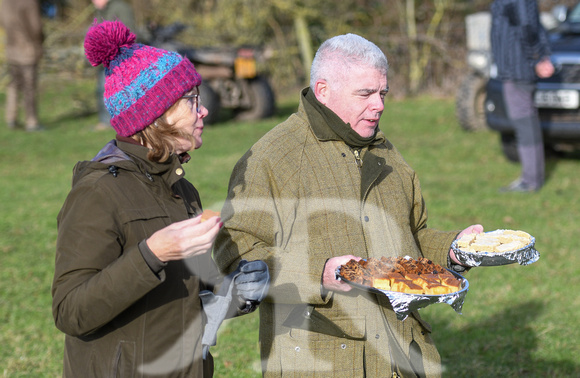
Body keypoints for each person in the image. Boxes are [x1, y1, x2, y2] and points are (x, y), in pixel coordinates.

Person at [213, 33, 483, 377]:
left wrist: (455, 250)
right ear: (324, 91)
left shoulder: (386, 153)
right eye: (366, 93)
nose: (379, 105)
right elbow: (234, 254)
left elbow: (412, 240)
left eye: (383, 92)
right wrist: (320, 274)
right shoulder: (272, 157)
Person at [51, 20, 269, 377]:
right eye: (191, 101)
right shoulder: (96, 192)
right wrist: (152, 254)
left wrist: (233, 294)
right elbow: (70, 312)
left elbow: (187, 300)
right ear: (156, 113)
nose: (204, 111)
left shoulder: (182, 190)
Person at [491, 0, 555, 192]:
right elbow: (535, 25)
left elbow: (527, 26)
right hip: (517, 67)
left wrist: (537, 57)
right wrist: (542, 55)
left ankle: (530, 181)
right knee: (526, 121)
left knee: (524, 122)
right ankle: (532, 178)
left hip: (517, 68)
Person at [91, 0, 136, 131]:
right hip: (103, 57)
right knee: (102, 90)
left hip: (119, 57)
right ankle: (106, 121)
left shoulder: (121, 8)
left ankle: (120, 121)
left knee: (120, 91)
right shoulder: (100, 11)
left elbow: (129, 31)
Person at [0, 0, 44, 131]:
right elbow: (36, 26)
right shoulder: (29, 2)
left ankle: (11, 117)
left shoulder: (5, 2)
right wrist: (39, 41)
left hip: (12, 48)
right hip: (27, 48)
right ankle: (31, 121)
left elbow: (2, 21)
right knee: (29, 86)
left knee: (14, 83)